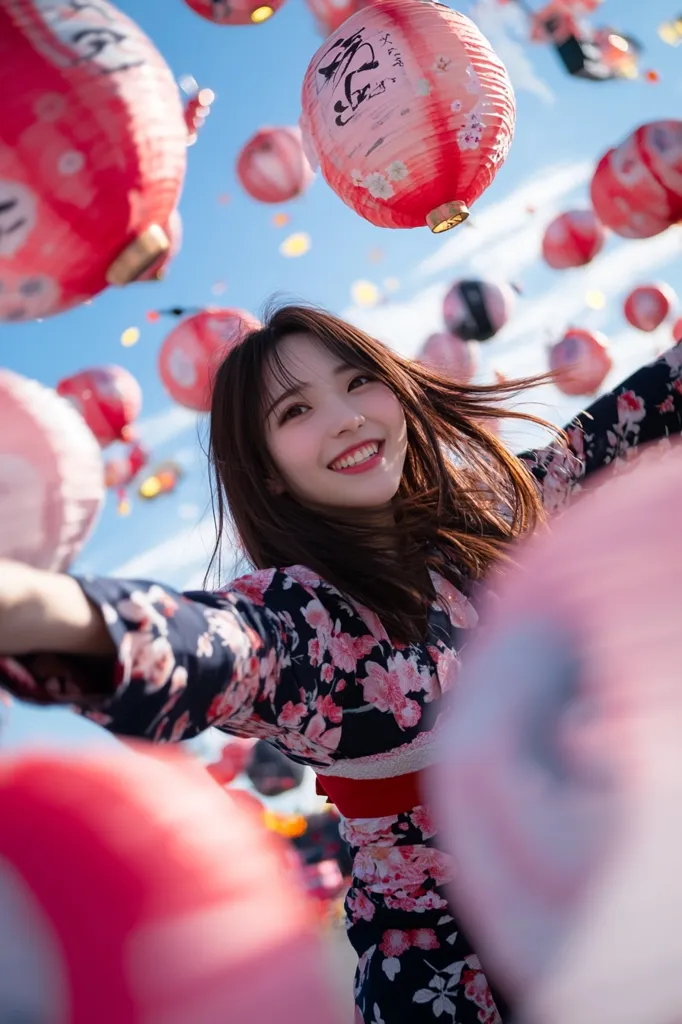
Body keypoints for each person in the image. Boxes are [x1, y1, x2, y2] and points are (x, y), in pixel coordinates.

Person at [0, 305, 680, 1024]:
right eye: (297, 411)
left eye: (359, 382)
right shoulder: (302, 620)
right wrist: (40, 607)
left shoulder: (504, 509)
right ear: (270, 475)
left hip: (627, 896)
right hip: (457, 975)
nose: (348, 417)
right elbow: (210, 641)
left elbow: (631, 416)